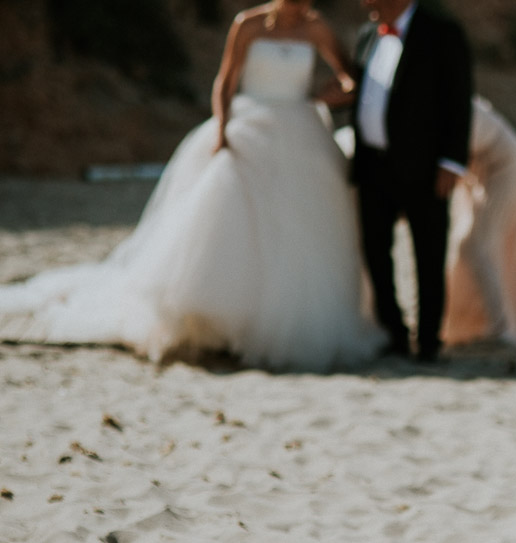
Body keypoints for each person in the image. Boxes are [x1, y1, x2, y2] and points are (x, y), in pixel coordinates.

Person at [0, 0, 386, 372]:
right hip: (249, 127)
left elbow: (352, 77)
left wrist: (316, 97)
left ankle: (276, 324)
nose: (301, 4)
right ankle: (222, 324)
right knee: (230, 219)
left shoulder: (318, 28)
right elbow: (226, 81)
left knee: (300, 229)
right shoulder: (247, 24)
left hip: (300, 133)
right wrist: (221, 129)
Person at [351, 0, 473, 362]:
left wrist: (452, 162)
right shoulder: (366, 35)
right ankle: (395, 334)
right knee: (375, 250)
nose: (364, 3)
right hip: (373, 164)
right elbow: (366, 93)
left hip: (425, 167)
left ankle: (430, 341)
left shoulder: (441, 31)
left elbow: (458, 98)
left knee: (428, 253)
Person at [443, 96, 516, 348]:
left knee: (476, 245)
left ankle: (500, 329)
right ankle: (469, 325)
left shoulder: (450, 103)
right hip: (477, 173)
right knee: (467, 243)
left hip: (506, 169)